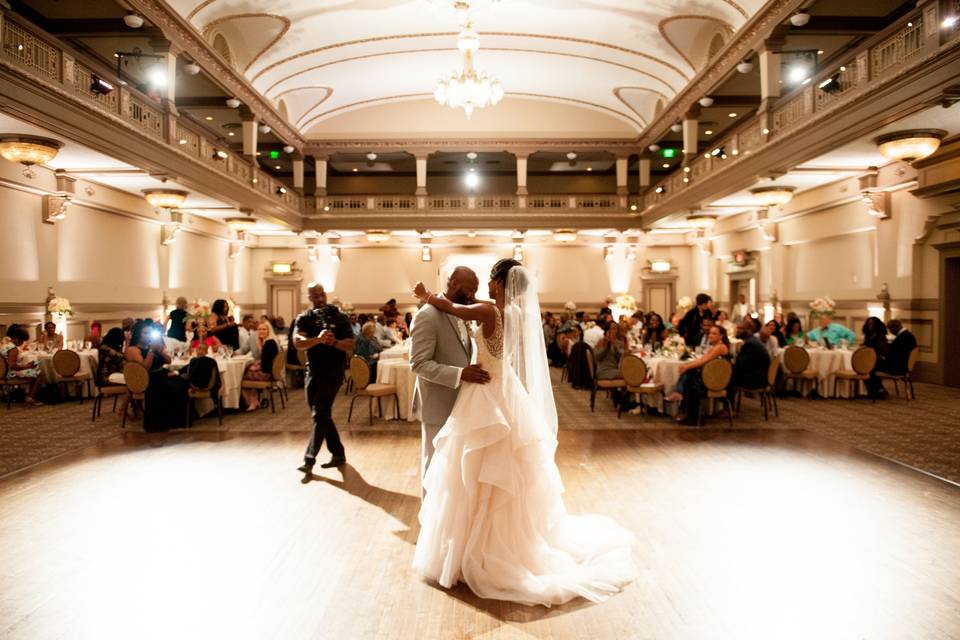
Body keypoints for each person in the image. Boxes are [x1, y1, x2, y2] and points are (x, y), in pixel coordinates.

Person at [411, 259, 634, 606]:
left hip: (486, 392)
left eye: (487, 281)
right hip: (502, 389)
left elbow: (450, 306)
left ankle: (475, 547)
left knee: (473, 470)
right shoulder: (516, 314)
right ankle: (494, 543)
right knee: (496, 469)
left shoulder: (488, 310)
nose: (480, 289)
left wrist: (428, 295)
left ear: (500, 283)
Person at [409, 267, 488, 487]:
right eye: (469, 289)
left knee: (452, 468)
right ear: (452, 283)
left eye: (475, 290)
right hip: (437, 403)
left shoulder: (463, 312)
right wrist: (461, 373)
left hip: (460, 403)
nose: (472, 295)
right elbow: (418, 364)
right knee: (434, 465)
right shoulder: (427, 315)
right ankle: (430, 522)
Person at [295, 283, 355, 473]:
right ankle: (338, 453)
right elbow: (298, 342)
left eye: (322, 295)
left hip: (334, 372)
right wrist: (317, 340)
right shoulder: (305, 318)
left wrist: (334, 342)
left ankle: (309, 458)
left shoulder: (340, 317)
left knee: (320, 412)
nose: (320, 299)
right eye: (316, 296)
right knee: (321, 414)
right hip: (313, 372)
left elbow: (351, 344)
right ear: (309, 297)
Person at [125, 320, 188, 431]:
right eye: (145, 333)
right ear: (138, 334)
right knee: (169, 387)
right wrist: (151, 351)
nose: (148, 336)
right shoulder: (133, 349)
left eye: (150, 333)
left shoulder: (153, 346)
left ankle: (178, 420)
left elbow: (168, 361)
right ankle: (163, 422)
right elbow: (144, 369)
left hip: (161, 374)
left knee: (183, 382)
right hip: (148, 379)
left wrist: (160, 350)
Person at [665, 325, 730, 424]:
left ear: (721, 336)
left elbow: (704, 361)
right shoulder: (715, 347)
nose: (710, 336)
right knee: (690, 373)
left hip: (716, 381)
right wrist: (687, 365)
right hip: (710, 376)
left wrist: (687, 366)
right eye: (710, 333)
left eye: (714, 333)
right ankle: (683, 407)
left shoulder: (720, 347)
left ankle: (679, 395)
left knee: (690, 373)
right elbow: (700, 360)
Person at [1, 325, 45, 405]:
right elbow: (13, 366)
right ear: (17, 338)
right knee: (40, 374)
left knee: (33, 372)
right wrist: (28, 366)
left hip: (2, 373)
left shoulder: (5, 346)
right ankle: (31, 397)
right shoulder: (13, 349)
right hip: (10, 374)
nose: (23, 343)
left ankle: (24, 395)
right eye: (22, 340)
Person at [241, 321, 279, 412]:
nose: (261, 331)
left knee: (241, 379)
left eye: (264, 329)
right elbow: (266, 361)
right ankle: (254, 401)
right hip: (271, 372)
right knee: (247, 370)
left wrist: (254, 366)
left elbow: (265, 365)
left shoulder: (268, 343)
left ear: (268, 331)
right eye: (259, 329)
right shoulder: (269, 342)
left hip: (267, 374)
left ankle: (252, 402)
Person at [730, 317, 770, 397]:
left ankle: (726, 404)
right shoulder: (753, 340)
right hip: (760, 376)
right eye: (737, 328)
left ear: (749, 330)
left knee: (727, 375)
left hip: (756, 380)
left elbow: (741, 365)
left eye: (740, 329)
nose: (737, 331)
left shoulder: (750, 344)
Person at [861, 316, 888, 398]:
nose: (870, 326)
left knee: (868, 368)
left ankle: (876, 390)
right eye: (868, 324)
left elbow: (882, 351)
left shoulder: (880, 336)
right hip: (870, 358)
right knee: (862, 365)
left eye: (872, 324)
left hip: (879, 359)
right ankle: (875, 389)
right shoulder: (868, 335)